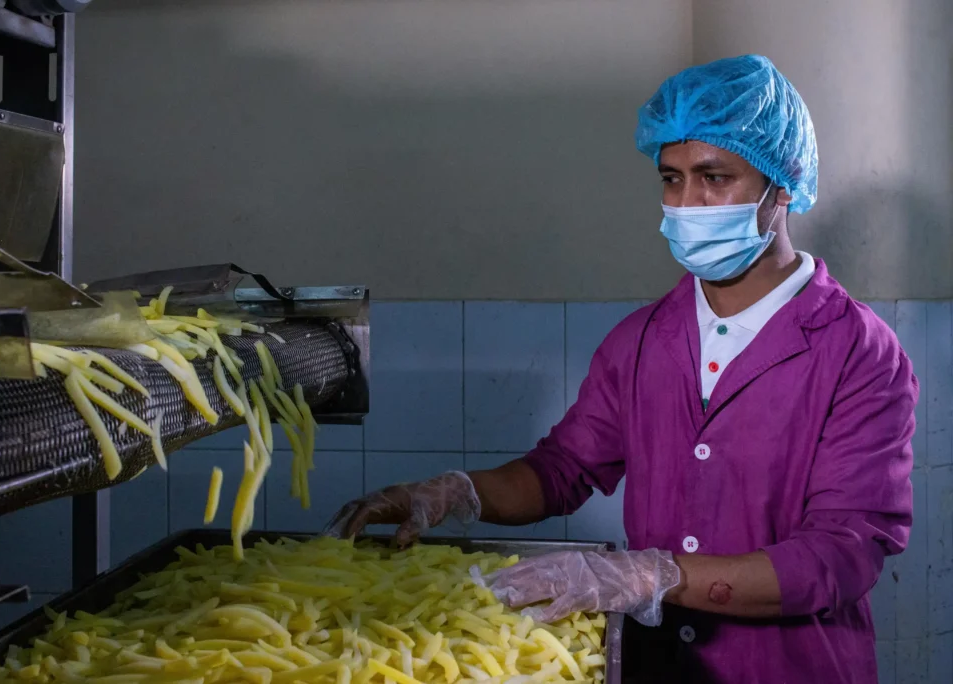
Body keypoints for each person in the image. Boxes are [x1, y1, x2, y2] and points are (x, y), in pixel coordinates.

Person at [325, 55, 917, 683]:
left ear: (785, 181)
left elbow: (841, 554)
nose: (687, 203)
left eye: (715, 178)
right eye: (671, 178)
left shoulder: (857, 353)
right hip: (656, 666)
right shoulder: (642, 341)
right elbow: (560, 472)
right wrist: (451, 494)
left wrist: (650, 575)